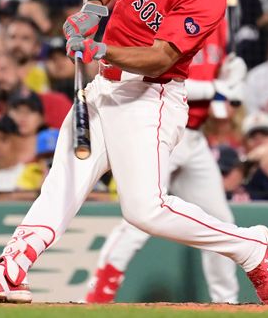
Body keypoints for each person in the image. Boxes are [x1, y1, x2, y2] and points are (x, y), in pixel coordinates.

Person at [0, 0, 268, 305]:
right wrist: (93, 8)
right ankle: (7, 271)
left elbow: (160, 57)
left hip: (149, 97)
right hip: (102, 87)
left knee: (144, 210)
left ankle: (250, 246)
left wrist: (101, 50)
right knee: (62, 184)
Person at [86, 27, 242, 304]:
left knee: (220, 221)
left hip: (195, 136)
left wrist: (233, 76)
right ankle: (100, 293)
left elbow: (225, 101)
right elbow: (159, 75)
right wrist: (216, 88)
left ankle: (226, 303)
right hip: (159, 127)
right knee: (140, 216)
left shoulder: (216, 26)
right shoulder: (169, 19)